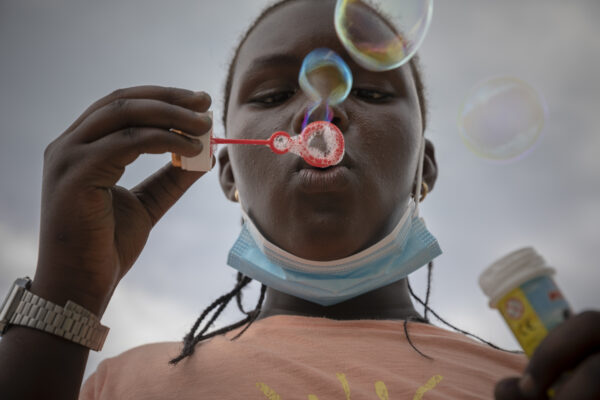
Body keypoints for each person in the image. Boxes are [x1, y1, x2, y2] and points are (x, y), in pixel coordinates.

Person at [0, 0, 598, 399]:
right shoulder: (117, 385)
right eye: (271, 94)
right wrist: (66, 301)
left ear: (426, 167)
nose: (324, 109)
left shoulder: (538, 384)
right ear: (227, 171)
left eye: (366, 89)